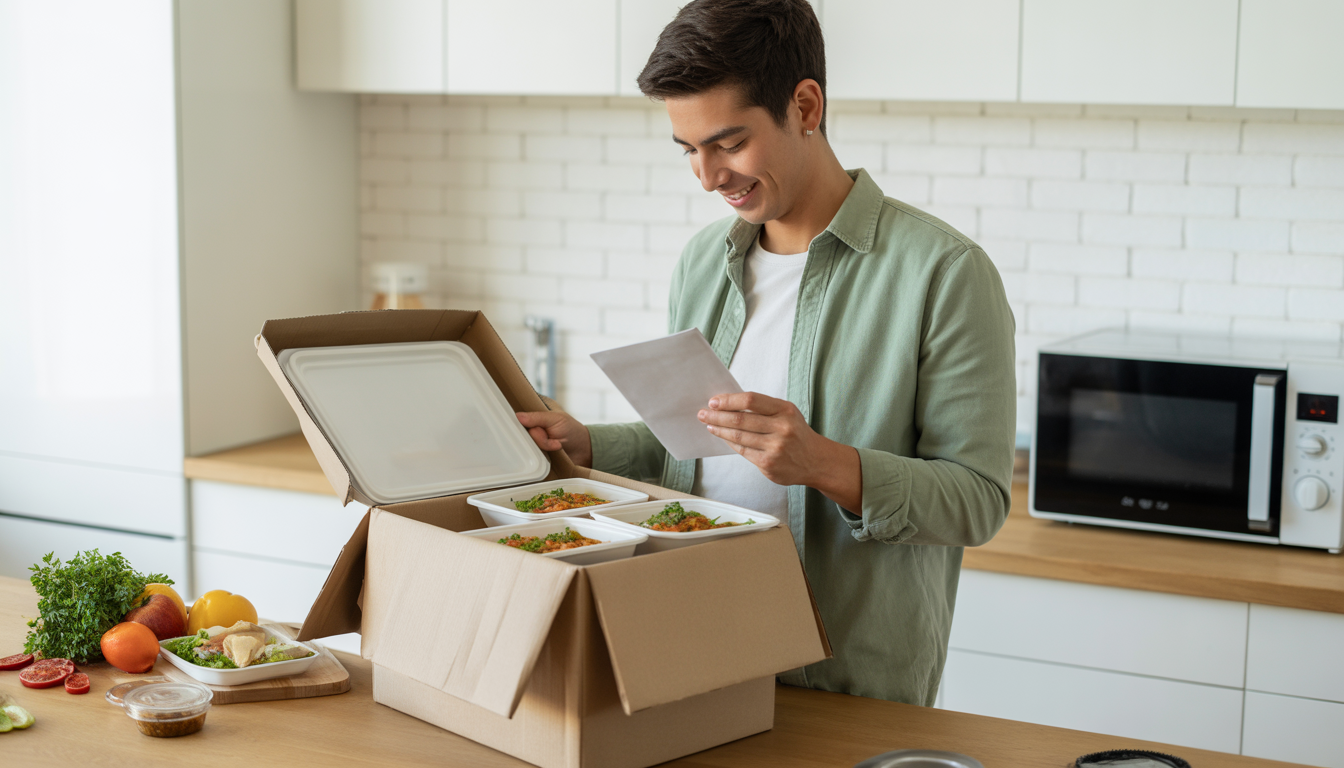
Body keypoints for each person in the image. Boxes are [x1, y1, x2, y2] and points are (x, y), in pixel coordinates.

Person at [516, 0, 1016, 706]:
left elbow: (978, 501)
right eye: (689, 149)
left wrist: (823, 464)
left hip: (842, 678)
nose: (707, 176)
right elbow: (700, 448)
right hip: (692, 653)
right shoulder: (703, 262)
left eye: (727, 142)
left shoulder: (943, 272)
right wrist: (592, 444)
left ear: (805, 105)